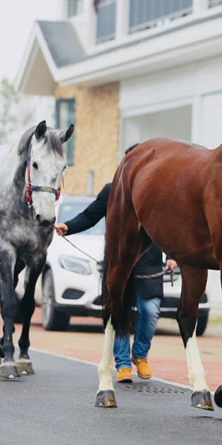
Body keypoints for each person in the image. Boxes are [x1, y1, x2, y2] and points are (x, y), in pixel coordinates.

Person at [54, 156, 176, 383]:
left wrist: (171, 255)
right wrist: (68, 226)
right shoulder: (112, 190)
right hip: (119, 262)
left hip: (149, 264)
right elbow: (90, 216)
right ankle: (122, 364)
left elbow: (168, 226)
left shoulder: (156, 192)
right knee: (119, 312)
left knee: (150, 310)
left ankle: (140, 355)